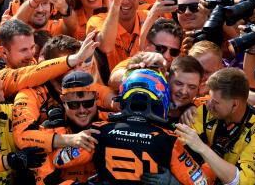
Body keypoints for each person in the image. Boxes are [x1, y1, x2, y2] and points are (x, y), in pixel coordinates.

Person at [52, 69, 216, 184]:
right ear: (160, 99)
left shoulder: (98, 130)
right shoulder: (170, 140)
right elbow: (201, 182)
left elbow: (59, 160)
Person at [176, 68, 255, 184]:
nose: (209, 104)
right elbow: (178, 148)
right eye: (209, 96)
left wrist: (201, 147)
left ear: (234, 104)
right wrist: (186, 107)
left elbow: (241, 181)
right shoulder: (203, 108)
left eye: (215, 102)